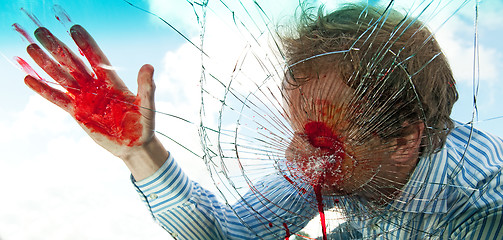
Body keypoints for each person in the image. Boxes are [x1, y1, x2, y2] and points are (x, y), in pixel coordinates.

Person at [21, 3, 503, 240]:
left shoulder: (482, 207)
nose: (295, 158)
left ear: (402, 139)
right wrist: (140, 152)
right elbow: (227, 235)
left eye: (321, 140)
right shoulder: (331, 166)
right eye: (295, 131)